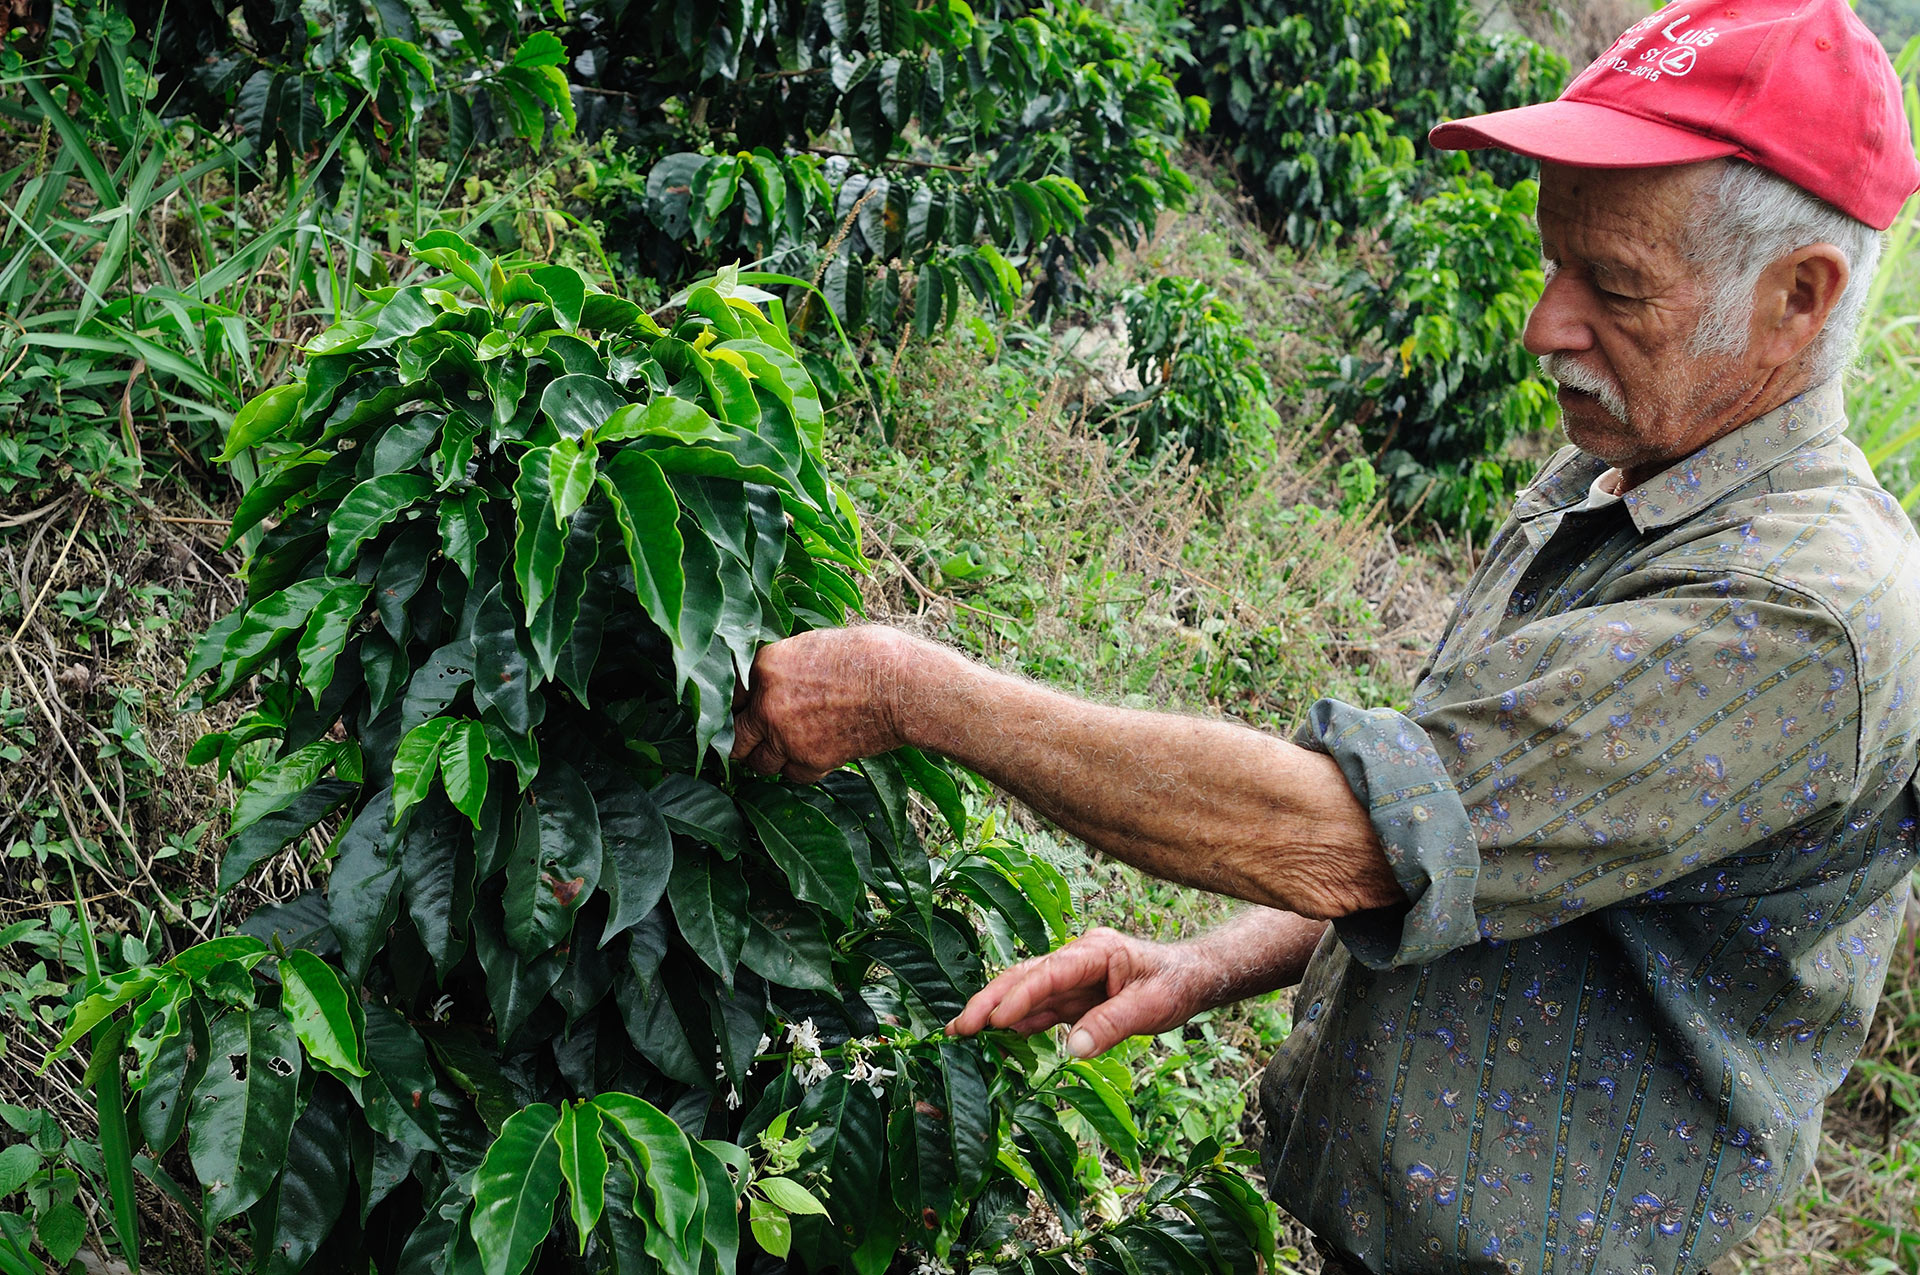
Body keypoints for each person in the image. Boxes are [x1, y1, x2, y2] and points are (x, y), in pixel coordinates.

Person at [729, 0, 1920, 1269]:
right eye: (1554, 262)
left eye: (1614, 286)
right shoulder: (1622, 479)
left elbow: (1352, 836)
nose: (1543, 327)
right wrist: (1203, 962)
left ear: (1799, 296)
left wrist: (910, 692)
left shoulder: (1799, 618)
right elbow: (1476, 834)